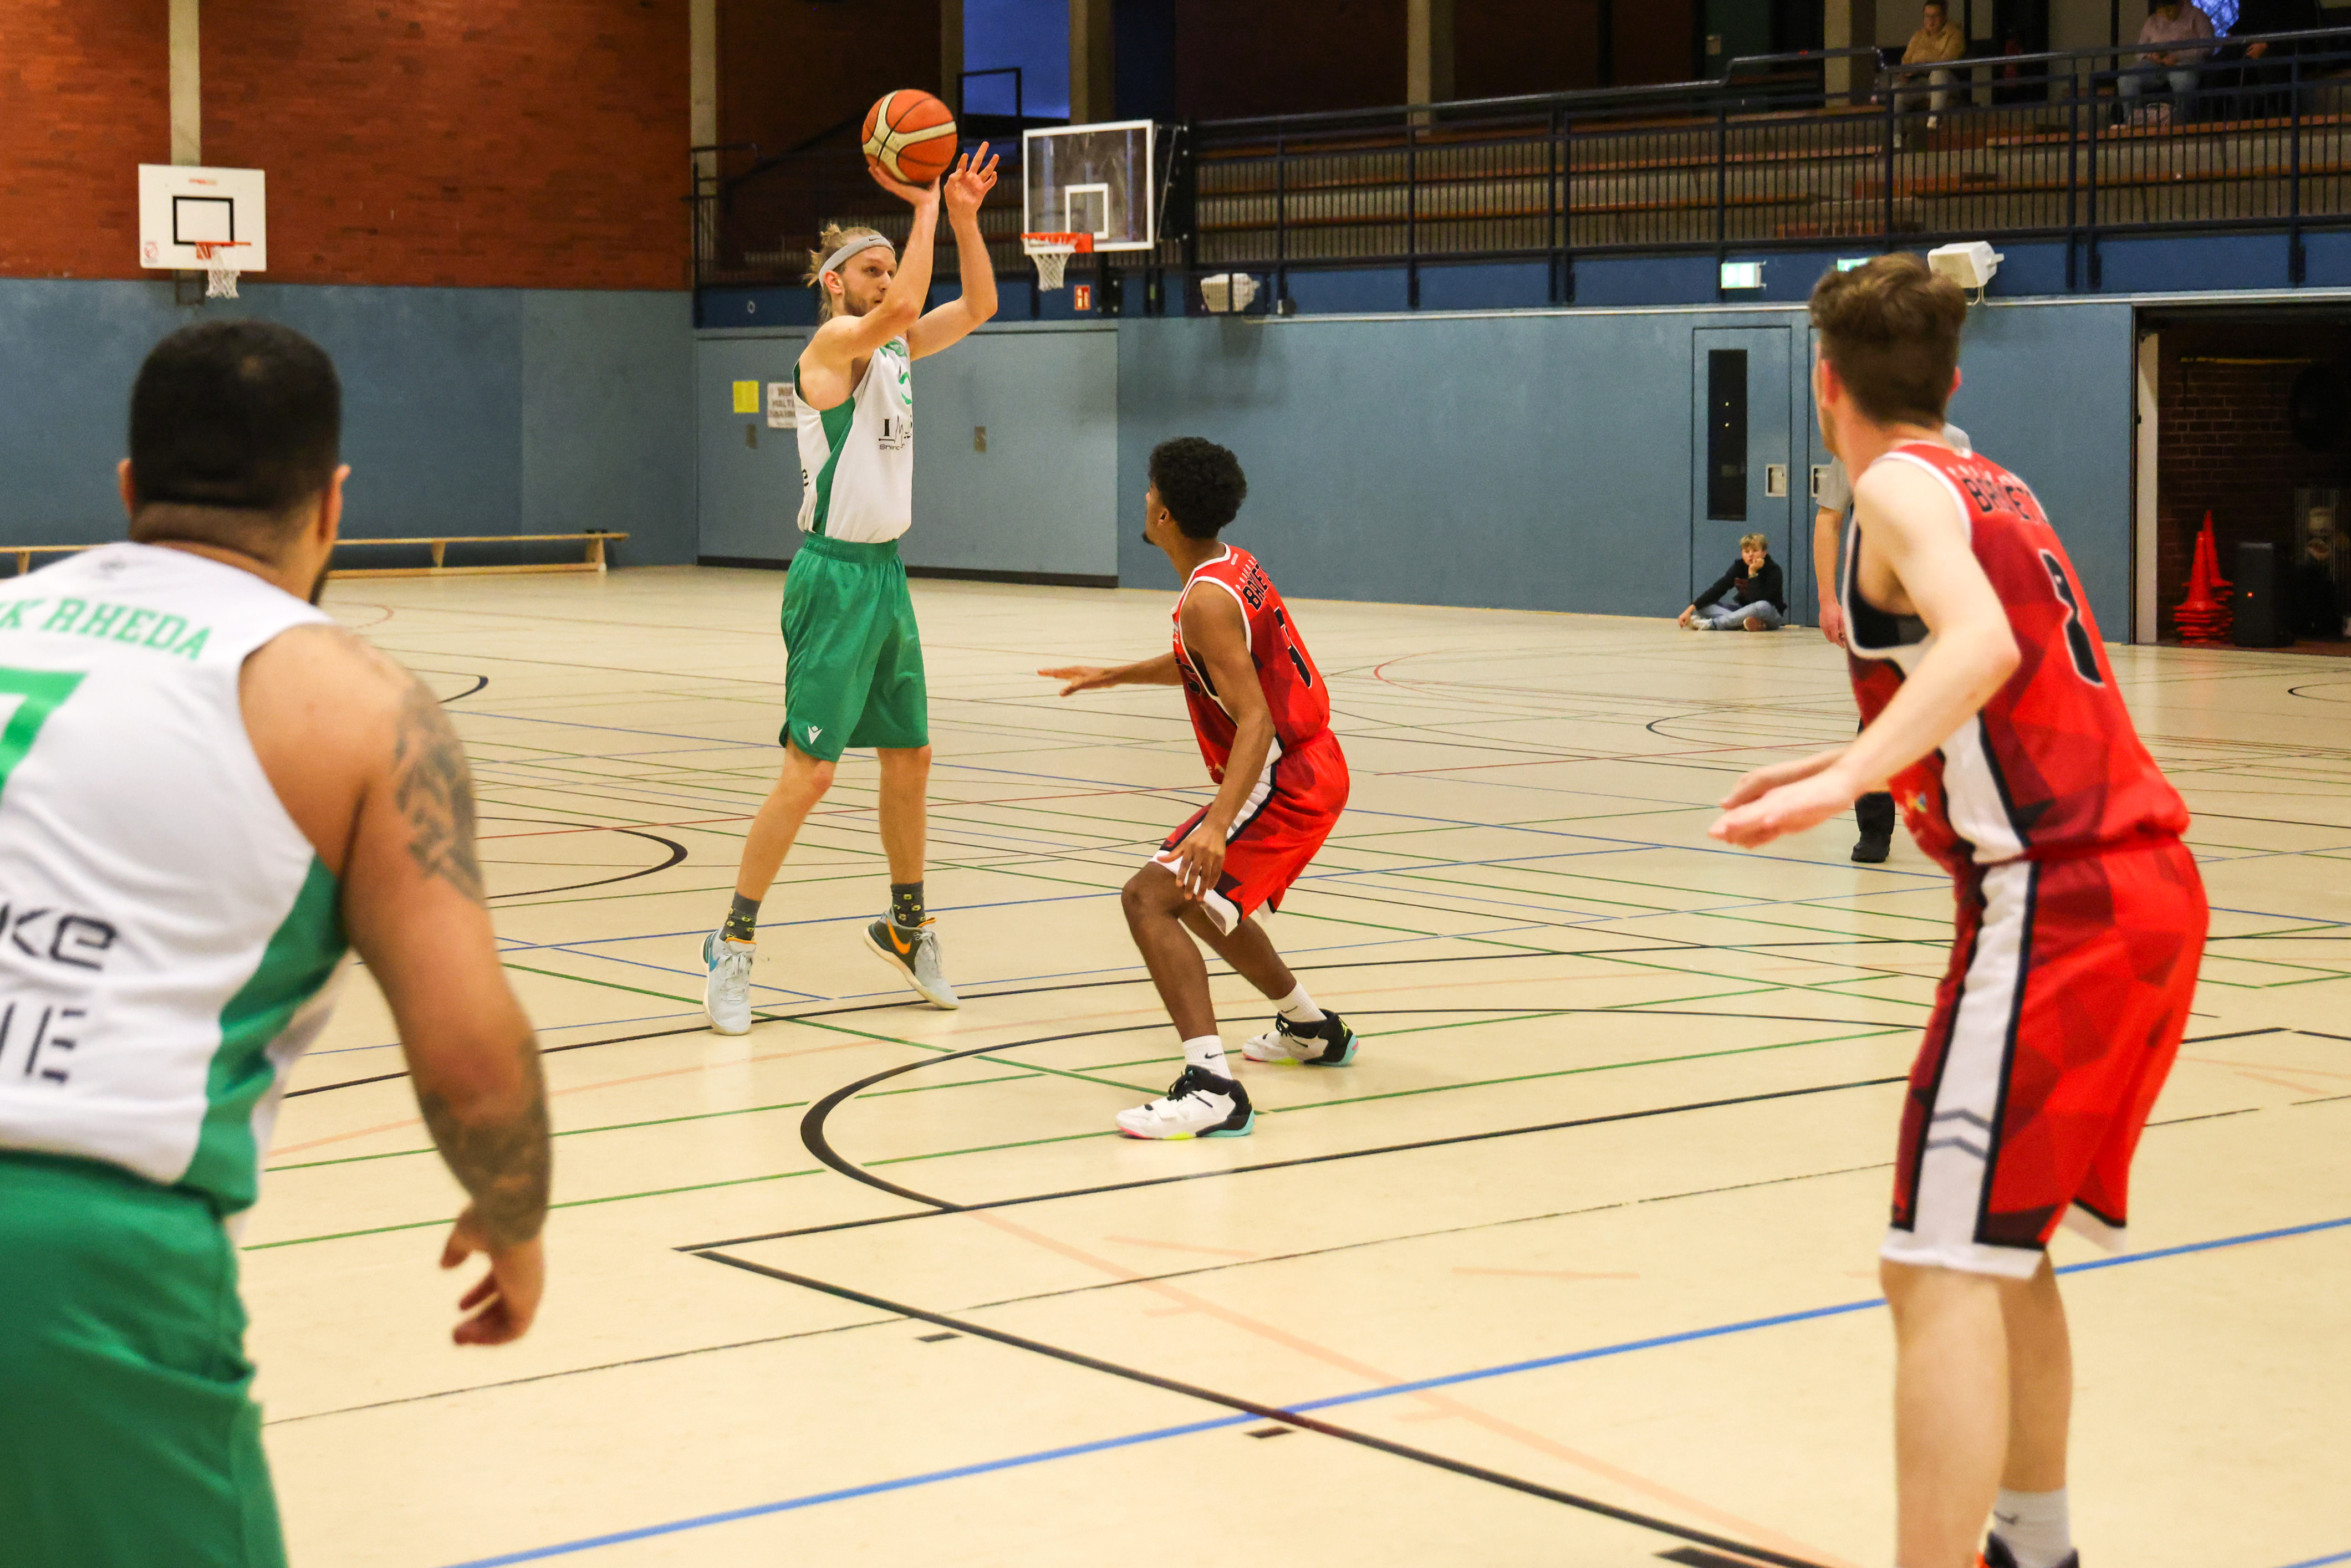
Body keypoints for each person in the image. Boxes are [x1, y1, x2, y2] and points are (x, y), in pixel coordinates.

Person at [0, 320, 551, 1567]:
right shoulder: (355, 706)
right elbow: (473, 1063)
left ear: (129, 489)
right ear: (332, 504)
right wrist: (512, 1215)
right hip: (75, 1261)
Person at [1712, 254, 2207, 1568]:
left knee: (1932, 1268)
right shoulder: (1994, 481)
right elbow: (1996, 684)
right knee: (1997, 1249)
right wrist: (1846, 757)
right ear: (1952, 377)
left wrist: (1840, 785)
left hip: (2057, 900)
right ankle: (2033, 1549)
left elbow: (1981, 647)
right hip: (2141, 891)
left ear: (1822, 385)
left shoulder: (1886, 486)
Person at [701, 144, 1001, 1033]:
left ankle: (907, 927)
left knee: (910, 757)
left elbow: (978, 306)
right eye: (871, 269)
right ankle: (731, 942)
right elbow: (907, 303)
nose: (886, 282)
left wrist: (965, 221)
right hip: (831, 578)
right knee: (812, 773)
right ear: (835, 284)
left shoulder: (897, 347)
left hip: (885, 576)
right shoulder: (831, 346)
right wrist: (923, 206)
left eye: (889, 268)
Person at [1039, 438, 1358, 1139]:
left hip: (1285, 775)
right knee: (1200, 900)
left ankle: (1212, 1088)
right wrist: (1114, 675)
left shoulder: (1204, 601)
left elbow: (1255, 717)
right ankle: (1311, 1029)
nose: (1144, 497)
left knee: (1149, 897)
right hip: (1310, 763)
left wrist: (1216, 825)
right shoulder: (1230, 567)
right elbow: (1210, 662)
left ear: (1164, 516)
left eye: (1150, 489)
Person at [1815, 421, 1972, 864]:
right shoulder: (1856, 439)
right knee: (1877, 716)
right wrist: (1827, 600)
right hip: (1876, 600)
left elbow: (1969, 520)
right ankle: (1874, 827)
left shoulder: (1954, 441)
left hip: (1936, 598)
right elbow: (1828, 519)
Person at [2117, 0, 2216, 115]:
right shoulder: (2153, 21)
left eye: (2170, 9)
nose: (2168, 13)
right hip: (2155, 65)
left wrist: (2178, 56)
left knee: (2184, 81)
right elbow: (2140, 51)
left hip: (2185, 63)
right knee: (2126, 80)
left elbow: (2208, 47)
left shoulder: (2198, 17)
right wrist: (2151, 55)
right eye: (2163, 10)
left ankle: (2183, 120)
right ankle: (2134, 120)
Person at [1680, 533, 1787, 630]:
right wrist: (1689, 610)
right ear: (1742, 553)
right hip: (1743, 610)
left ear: (1764, 553)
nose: (1751, 555)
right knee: (1703, 607)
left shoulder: (1773, 570)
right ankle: (1743, 624)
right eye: (1747, 552)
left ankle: (1713, 624)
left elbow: (1757, 599)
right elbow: (1718, 588)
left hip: (1770, 615)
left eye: (1755, 551)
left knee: (1762, 605)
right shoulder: (1739, 567)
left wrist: (1752, 573)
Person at [1899, 0, 1968, 127]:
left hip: (1948, 82)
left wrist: (1922, 58)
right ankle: (1896, 136)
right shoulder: (1918, 36)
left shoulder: (1955, 33)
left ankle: (1934, 122)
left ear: (1944, 17)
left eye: (1935, 16)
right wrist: (1911, 70)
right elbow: (1906, 63)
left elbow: (1947, 60)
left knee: (1939, 73)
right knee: (1897, 90)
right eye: (1927, 16)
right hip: (1921, 81)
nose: (1931, 21)